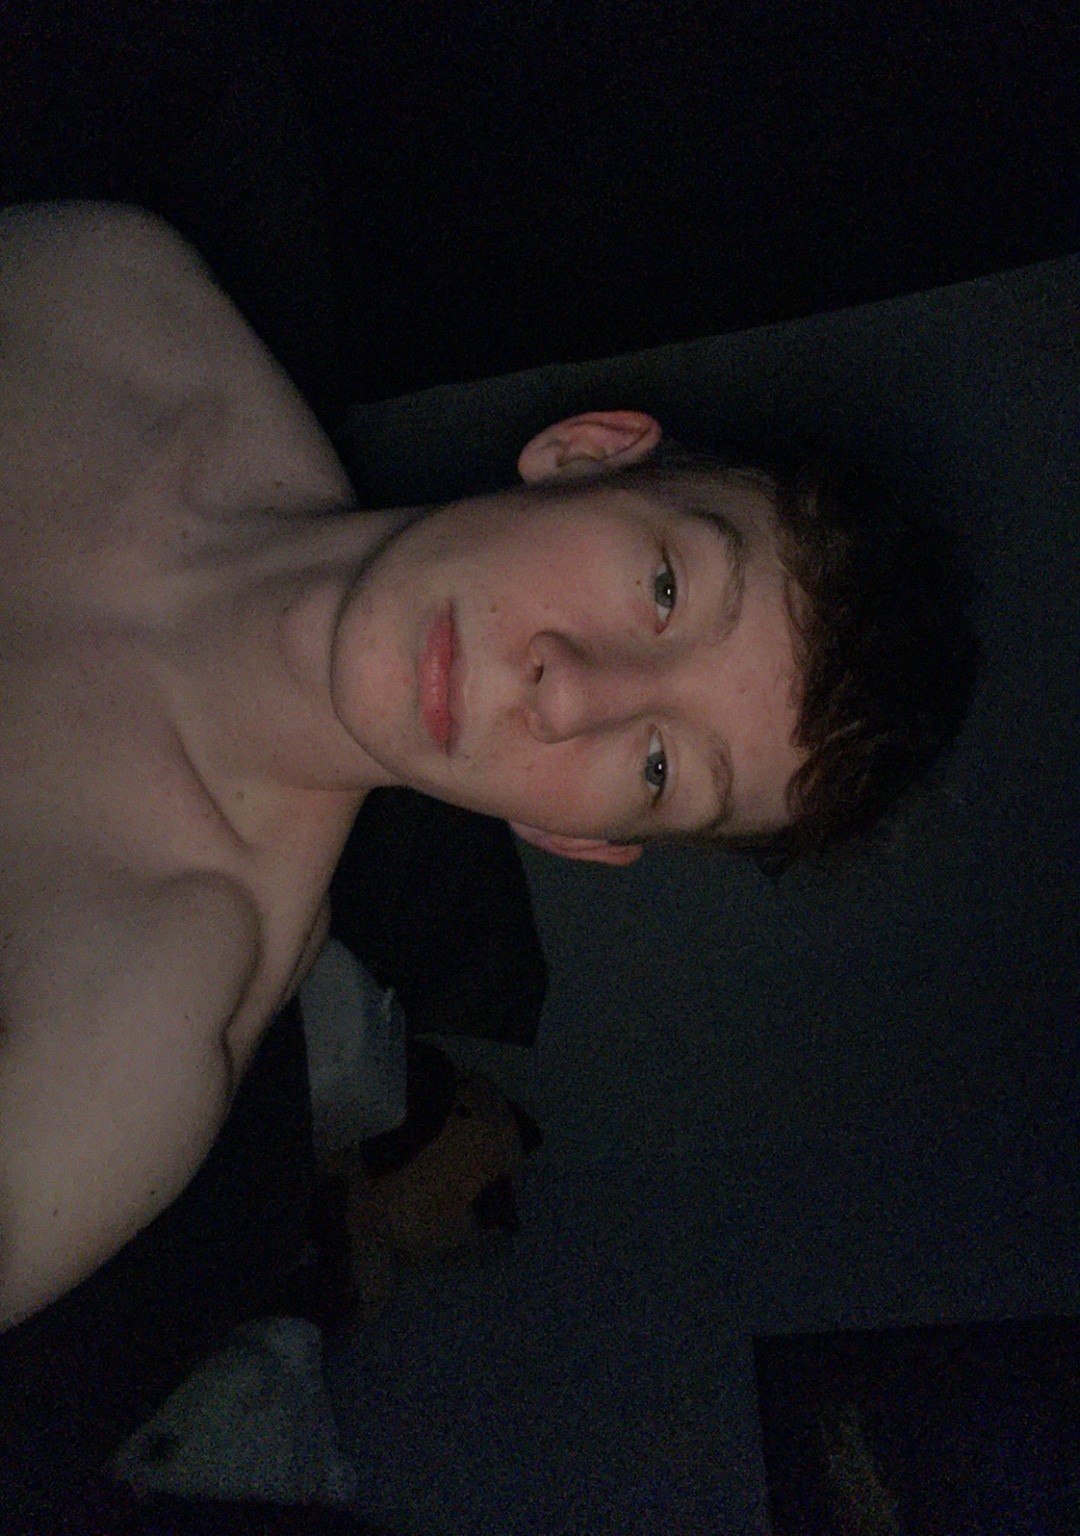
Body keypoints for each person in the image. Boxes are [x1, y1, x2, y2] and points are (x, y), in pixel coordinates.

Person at [0, 200, 977, 1338]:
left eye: (659, 767)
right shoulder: (112, 297)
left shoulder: (145, 1014)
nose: (571, 693)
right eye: (664, 589)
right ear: (585, 456)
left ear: (576, 838)